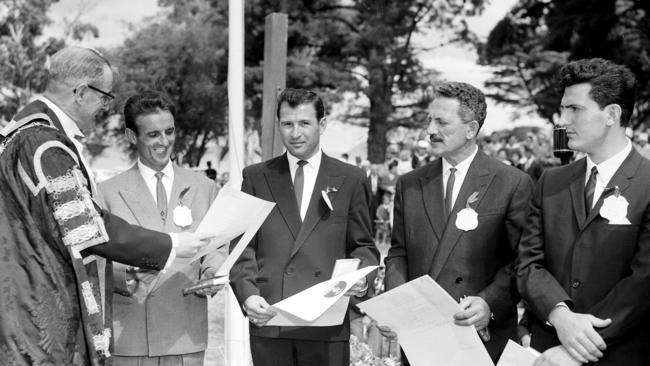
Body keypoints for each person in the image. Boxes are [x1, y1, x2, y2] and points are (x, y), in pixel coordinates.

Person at [0, 47, 209, 365]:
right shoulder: (44, 145)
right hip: (40, 315)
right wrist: (171, 244)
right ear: (82, 92)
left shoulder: (19, 135)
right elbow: (87, 228)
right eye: (104, 97)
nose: (105, 107)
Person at [382, 81, 534, 363]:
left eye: (441, 122)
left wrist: (489, 303)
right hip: (421, 339)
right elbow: (399, 253)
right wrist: (395, 304)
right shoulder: (410, 184)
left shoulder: (512, 183)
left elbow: (522, 261)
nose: (430, 131)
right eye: (429, 121)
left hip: (481, 339)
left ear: (471, 129)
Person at [229, 88, 379, 366]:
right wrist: (248, 295)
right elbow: (241, 248)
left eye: (304, 123)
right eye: (287, 124)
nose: (295, 133)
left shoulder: (351, 178)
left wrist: (362, 278)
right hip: (271, 319)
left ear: (322, 124)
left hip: (328, 323)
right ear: (279, 126)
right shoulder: (256, 177)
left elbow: (364, 246)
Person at [517, 58, 650, 366]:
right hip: (546, 350)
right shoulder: (551, 181)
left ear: (611, 115)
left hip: (619, 353)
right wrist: (560, 316)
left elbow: (643, 281)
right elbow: (528, 263)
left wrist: (577, 345)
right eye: (564, 109)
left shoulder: (646, 182)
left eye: (575, 109)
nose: (562, 120)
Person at [98, 91, 227, 366]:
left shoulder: (204, 188)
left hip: (185, 334)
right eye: (153, 134)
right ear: (132, 136)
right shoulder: (106, 193)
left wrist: (212, 273)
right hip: (129, 337)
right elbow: (95, 260)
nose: (164, 142)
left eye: (169, 132)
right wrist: (125, 277)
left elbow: (216, 246)